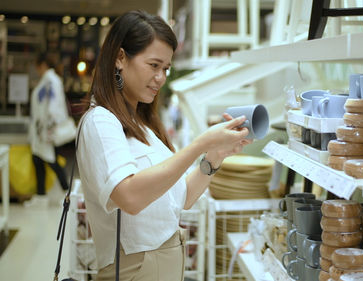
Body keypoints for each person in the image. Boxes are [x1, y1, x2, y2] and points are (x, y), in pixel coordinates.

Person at [76, 10, 251, 281]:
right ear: (120, 58)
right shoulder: (101, 121)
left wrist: (214, 156)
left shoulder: (143, 123)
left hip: (164, 262)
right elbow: (130, 197)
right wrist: (198, 144)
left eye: (166, 68)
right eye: (153, 65)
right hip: (135, 268)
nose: (161, 77)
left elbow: (182, 199)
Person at [26, 53, 70, 208]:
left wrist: (49, 127)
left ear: (42, 65)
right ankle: (40, 195)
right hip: (41, 130)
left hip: (46, 129)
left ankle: (67, 192)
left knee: (52, 160)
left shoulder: (51, 80)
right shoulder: (48, 80)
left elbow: (53, 104)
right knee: (39, 160)